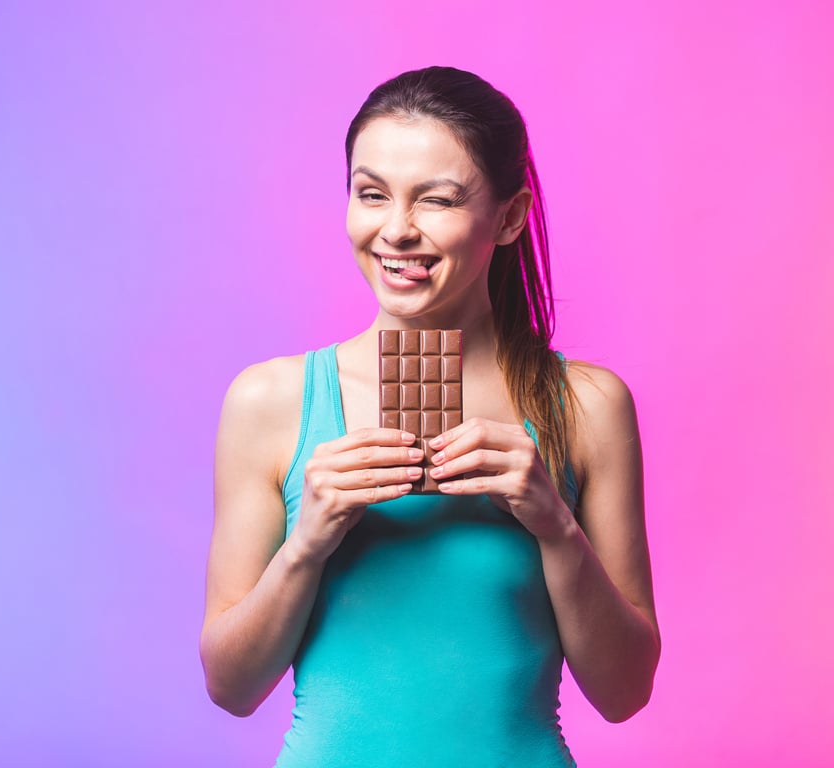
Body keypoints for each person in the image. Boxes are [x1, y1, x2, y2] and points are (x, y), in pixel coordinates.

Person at [199, 66, 660, 767]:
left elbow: (625, 693)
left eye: (436, 201)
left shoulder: (588, 406)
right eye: (371, 194)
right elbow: (230, 688)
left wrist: (554, 524)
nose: (397, 231)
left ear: (508, 217)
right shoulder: (271, 401)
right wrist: (306, 544)